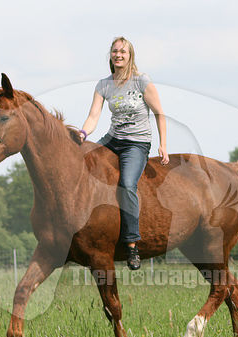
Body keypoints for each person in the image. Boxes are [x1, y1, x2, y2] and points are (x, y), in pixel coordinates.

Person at [79, 36, 169, 270]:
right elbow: (93, 116)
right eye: (115, 51)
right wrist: (83, 134)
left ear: (130, 56)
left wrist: (163, 144)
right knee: (83, 165)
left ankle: (131, 243)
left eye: (123, 52)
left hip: (136, 143)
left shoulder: (141, 81)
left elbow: (159, 112)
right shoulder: (103, 85)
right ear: (110, 55)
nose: (118, 55)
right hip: (112, 139)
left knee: (127, 184)